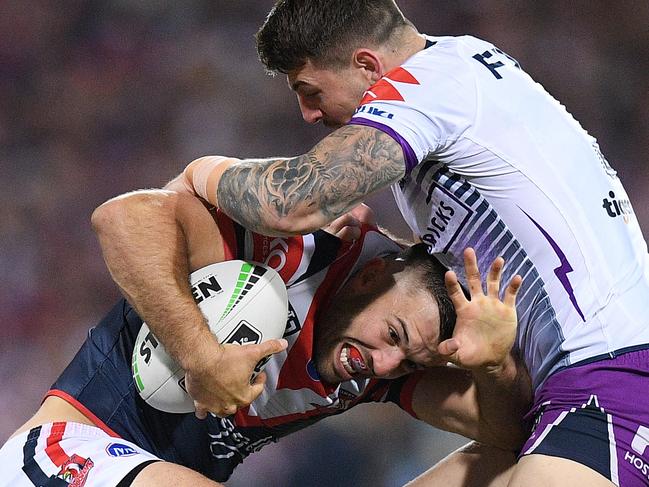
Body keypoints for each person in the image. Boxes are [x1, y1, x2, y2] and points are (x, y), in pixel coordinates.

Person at [166, 1, 649, 486]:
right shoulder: (461, 72)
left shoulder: (427, 86)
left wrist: (200, 173)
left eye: (310, 91)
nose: (309, 114)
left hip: (612, 374)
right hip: (575, 384)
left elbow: (293, 202)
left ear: (367, 66)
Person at [0, 189, 526, 486]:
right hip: (60, 451)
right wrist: (202, 356)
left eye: (409, 363)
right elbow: (121, 217)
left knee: (507, 471)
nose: (387, 364)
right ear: (371, 277)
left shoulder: (377, 366)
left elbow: (506, 438)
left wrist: (495, 365)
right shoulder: (295, 251)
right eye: (393, 335)